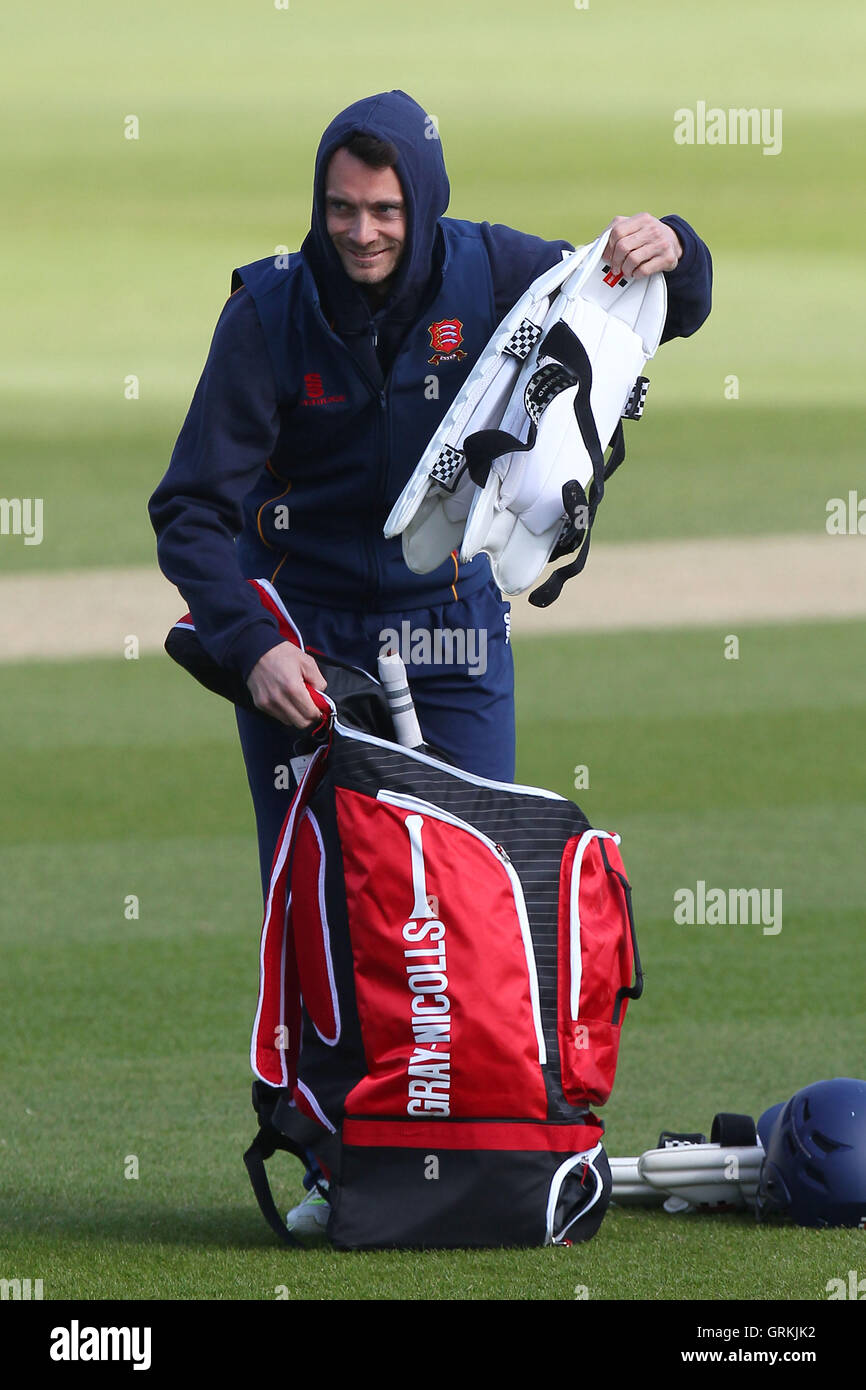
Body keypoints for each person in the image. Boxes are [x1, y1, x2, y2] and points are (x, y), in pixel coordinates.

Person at [148, 89, 712, 1236]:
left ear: (424, 202)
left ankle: (484, 1154)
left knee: (472, 901)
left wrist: (677, 249)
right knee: (326, 910)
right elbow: (191, 511)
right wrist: (252, 647)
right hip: (302, 637)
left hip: (451, 627)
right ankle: (335, 1165)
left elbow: (642, 309)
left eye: (384, 210)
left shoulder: (495, 269)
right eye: (341, 209)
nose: (360, 231)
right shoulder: (265, 310)